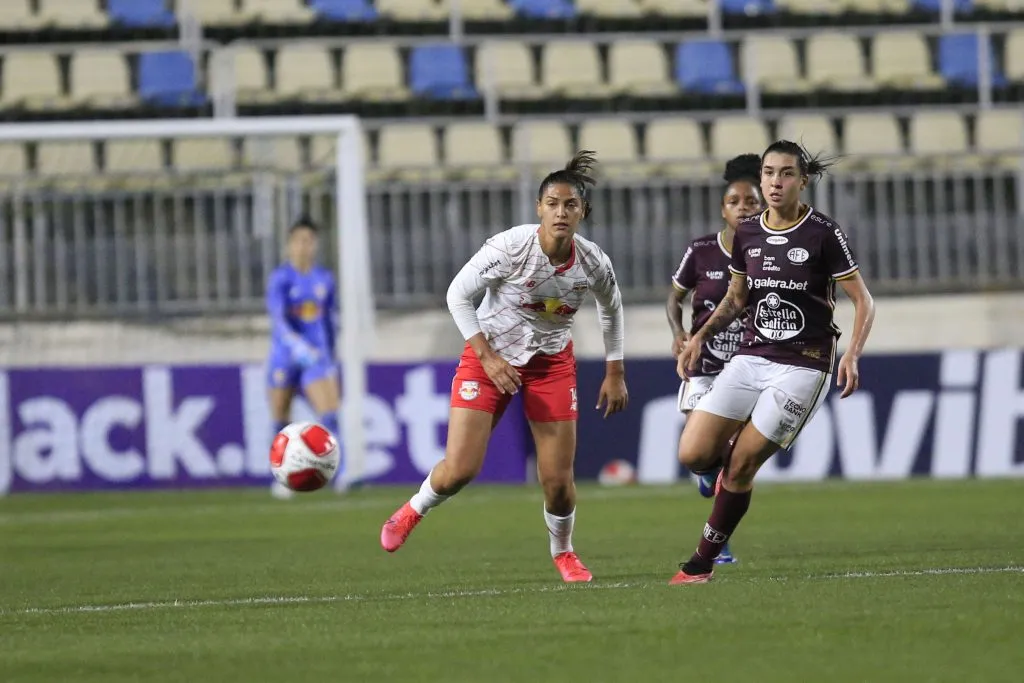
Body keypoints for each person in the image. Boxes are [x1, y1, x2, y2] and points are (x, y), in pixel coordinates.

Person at [379, 150, 629, 583]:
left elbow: (612, 308)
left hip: (550, 365)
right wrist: (487, 357)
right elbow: (457, 295)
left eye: (570, 204)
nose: (561, 212)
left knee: (556, 480)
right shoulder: (511, 248)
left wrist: (615, 371)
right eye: (552, 203)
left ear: (583, 212)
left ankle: (564, 553)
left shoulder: (593, 263)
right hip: (488, 357)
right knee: (460, 470)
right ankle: (411, 510)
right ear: (539, 208)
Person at [670, 140, 876, 585]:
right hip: (750, 357)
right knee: (693, 453)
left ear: (803, 181)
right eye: (768, 173)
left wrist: (853, 354)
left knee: (742, 465)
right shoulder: (748, 232)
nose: (775, 182)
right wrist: (697, 338)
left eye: (785, 174)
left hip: (805, 363)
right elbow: (736, 298)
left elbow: (864, 300)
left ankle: (701, 562)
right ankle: (729, 479)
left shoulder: (822, 232)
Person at [666, 153, 766, 565]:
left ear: (763, 206)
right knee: (698, 453)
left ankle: (718, 538)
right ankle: (707, 475)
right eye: (735, 201)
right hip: (704, 369)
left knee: (733, 456)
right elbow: (674, 298)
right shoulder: (702, 250)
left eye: (751, 201)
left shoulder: (771, 252)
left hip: (749, 366)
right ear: (723, 209)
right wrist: (679, 334)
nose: (743, 207)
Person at [265, 216, 342, 500]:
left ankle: (336, 474)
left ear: (316, 245)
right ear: (289, 245)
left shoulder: (324, 279)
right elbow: (278, 320)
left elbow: (331, 319)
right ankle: (281, 477)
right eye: (298, 241)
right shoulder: (280, 279)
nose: (303, 246)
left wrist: (330, 352)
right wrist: (297, 346)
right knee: (280, 419)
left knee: (330, 415)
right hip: (285, 357)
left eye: (309, 241)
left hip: (317, 357)